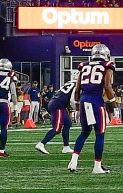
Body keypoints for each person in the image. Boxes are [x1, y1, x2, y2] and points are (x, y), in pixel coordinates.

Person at [68, 44, 114, 175]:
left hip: (83, 100)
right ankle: (97, 166)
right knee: (100, 133)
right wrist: (114, 106)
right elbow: (107, 87)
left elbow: (77, 89)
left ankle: (73, 161)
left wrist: (77, 109)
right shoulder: (107, 66)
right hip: (95, 100)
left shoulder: (84, 66)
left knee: (84, 132)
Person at [35, 73, 76, 155]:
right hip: (58, 105)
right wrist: (76, 108)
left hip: (56, 102)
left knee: (68, 123)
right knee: (57, 129)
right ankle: (41, 144)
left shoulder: (69, 83)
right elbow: (72, 99)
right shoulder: (76, 85)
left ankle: (66, 147)